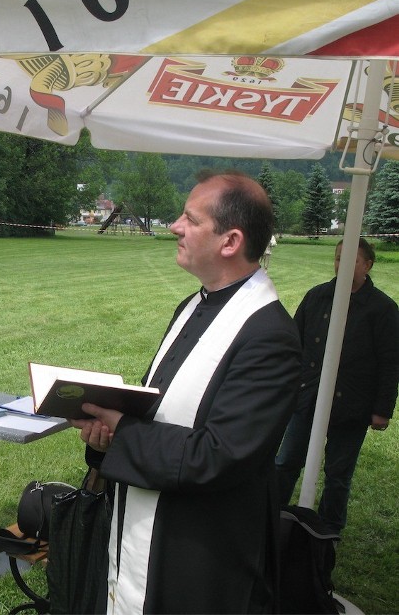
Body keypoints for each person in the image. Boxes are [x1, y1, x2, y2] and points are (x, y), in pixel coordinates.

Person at [71, 170, 301, 614]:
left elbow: (222, 454)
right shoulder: (193, 304)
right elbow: (160, 409)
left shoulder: (270, 335)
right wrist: (106, 435)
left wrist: (125, 433)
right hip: (149, 521)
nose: (175, 226)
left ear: (229, 241)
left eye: (190, 220)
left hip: (200, 550)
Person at [275, 237, 399, 534]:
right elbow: (295, 343)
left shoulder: (383, 309)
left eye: (351, 260)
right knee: (286, 461)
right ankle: (271, 513)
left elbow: (390, 363)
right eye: (338, 257)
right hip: (308, 398)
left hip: (352, 404)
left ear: (368, 265)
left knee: (338, 473)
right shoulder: (317, 297)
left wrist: (382, 410)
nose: (342, 265)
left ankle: (328, 532)